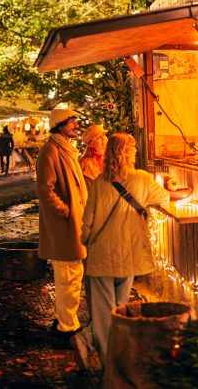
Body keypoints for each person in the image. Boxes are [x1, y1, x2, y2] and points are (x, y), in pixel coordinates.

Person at [71, 133, 169, 369]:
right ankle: (109, 359)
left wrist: (85, 241)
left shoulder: (99, 182)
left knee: (104, 312)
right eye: (133, 149)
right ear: (125, 153)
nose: (136, 152)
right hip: (128, 255)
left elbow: (88, 221)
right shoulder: (142, 179)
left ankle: (97, 350)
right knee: (119, 308)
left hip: (101, 255)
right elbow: (164, 198)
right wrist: (178, 190)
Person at [36, 108, 88, 348]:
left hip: (73, 224)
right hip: (64, 226)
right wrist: (66, 212)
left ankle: (63, 322)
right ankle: (67, 327)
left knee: (71, 275)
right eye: (72, 121)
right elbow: (46, 191)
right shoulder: (51, 151)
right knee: (69, 276)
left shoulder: (65, 149)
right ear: (59, 124)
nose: (76, 124)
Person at [79, 124, 108, 320]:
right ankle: (96, 316)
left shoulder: (111, 161)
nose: (104, 141)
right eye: (100, 138)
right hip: (93, 221)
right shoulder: (84, 166)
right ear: (91, 144)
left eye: (104, 138)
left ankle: (107, 314)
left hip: (110, 220)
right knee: (93, 269)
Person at [79, 124, 108, 191]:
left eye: (104, 135)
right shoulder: (85, 165)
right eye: (99, 138)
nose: (104, 138)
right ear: (91, 144)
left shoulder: (111, 158)